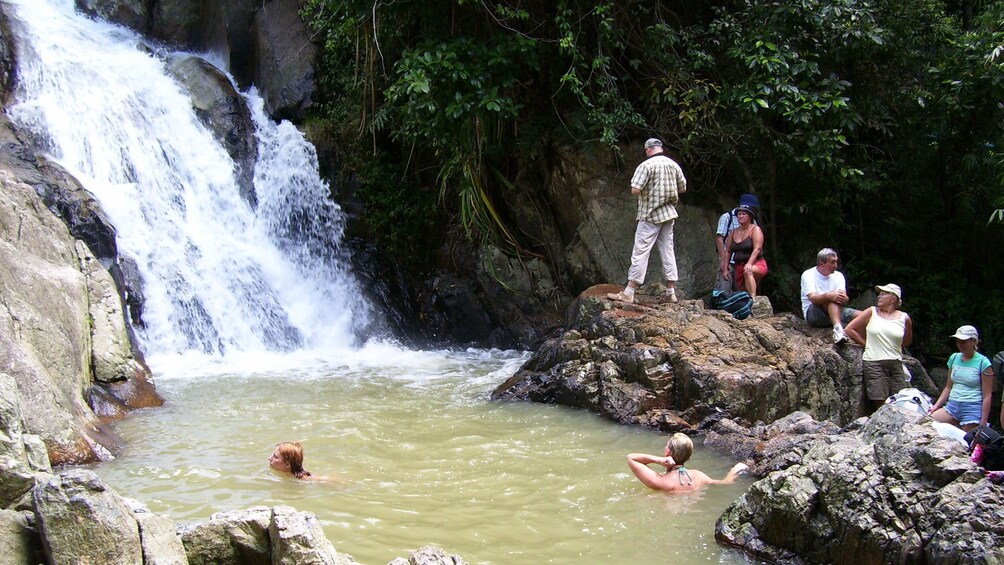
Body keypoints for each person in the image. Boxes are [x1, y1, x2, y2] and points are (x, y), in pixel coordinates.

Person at [607, 138, 687, 305]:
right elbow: (683, 187)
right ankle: (670, 291)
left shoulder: (646, 166)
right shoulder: (673, 165)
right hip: (669, 213)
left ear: (648, 150)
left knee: (641, 251)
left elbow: (635, 190)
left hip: (650, 214)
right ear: (660, 148)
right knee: (668, 250)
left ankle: (629, 292)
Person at [844, 283, 913, 413]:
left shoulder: (904, 318)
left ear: (893, 298)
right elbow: (849, 329)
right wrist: (866, 344)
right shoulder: (871, 312)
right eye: (879, 293)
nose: (879, 296)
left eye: (883, 294)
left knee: (900, 399)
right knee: (880, 400)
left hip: (895, 362)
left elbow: (906, 341)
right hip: (874, 362)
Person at [627, 432, 749, 493]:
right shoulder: (699, 476)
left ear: (667, 452)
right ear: (689, 457)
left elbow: (631, 458)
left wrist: (659, 460)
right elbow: (725, 483)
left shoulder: (661, 482)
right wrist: (737, 469)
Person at [929, 325, 995, 432]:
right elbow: (948, 387)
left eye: (963, 341)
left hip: (972, 408)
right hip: (952, 406)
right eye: (958, 341)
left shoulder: (983, 362)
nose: (960, 344)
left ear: (974, 341)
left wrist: (983, 421)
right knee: (929, 424)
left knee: (965, 441)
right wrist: (936, 406)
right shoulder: (954, 357)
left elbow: (987, 395)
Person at [800, 248, 859, 343]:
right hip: (813, 313)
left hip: (836, 310)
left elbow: (844, 299)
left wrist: (844, 298)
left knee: (863, 315)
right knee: (831, 300)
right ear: (821, 263)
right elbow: (814, 299)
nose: (835, 265)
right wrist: (828, 295)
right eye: (832, 262)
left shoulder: (839, 276)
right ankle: (838, 331)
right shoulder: (808, 275)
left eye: (836, 262)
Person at [721, 203, 767, 297]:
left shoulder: (755, 229)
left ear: (750, 216)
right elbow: (728, 251)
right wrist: (725, 268)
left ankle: (754, 300)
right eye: (739, 214)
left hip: (756, 263)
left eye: (744, 214)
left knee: (748, 271)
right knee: (743, 291)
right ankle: (747, 304)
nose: (741, 216)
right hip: (739, 265)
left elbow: (757, 248)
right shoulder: (733, 232)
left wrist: (749, 263)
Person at [715, 193, 760, 270]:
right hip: (728, 261)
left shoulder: (753, 222)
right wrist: (724, 260)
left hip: (744, 263)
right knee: (725, 281)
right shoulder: (727, 217)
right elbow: (719, 238)